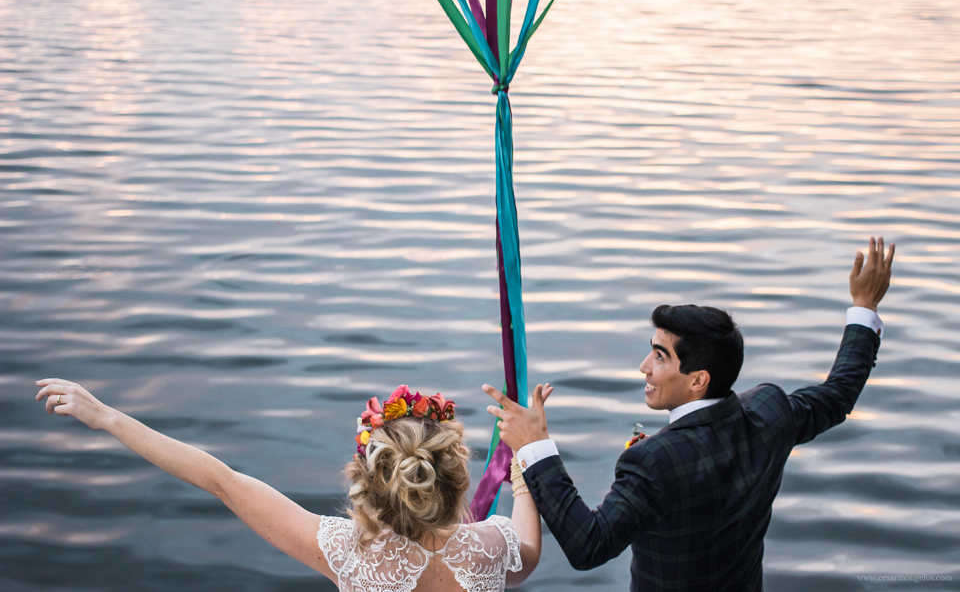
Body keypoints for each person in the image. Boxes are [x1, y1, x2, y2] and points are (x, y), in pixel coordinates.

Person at [484, 237, 895, 592]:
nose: (644, 366)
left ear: (698, 380)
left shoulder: (652, 462)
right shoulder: (771, 412)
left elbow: (589, 545)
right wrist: (864, 306)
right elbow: (838, 395)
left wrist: (536, 448)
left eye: (660, 356)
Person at [34, 383, 544, 591]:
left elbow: (222, 481)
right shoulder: (493, 548)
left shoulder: (349, 554)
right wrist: (527, 467)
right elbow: (530, 552)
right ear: (456, 482)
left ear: (369, 486)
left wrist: (107, 417)